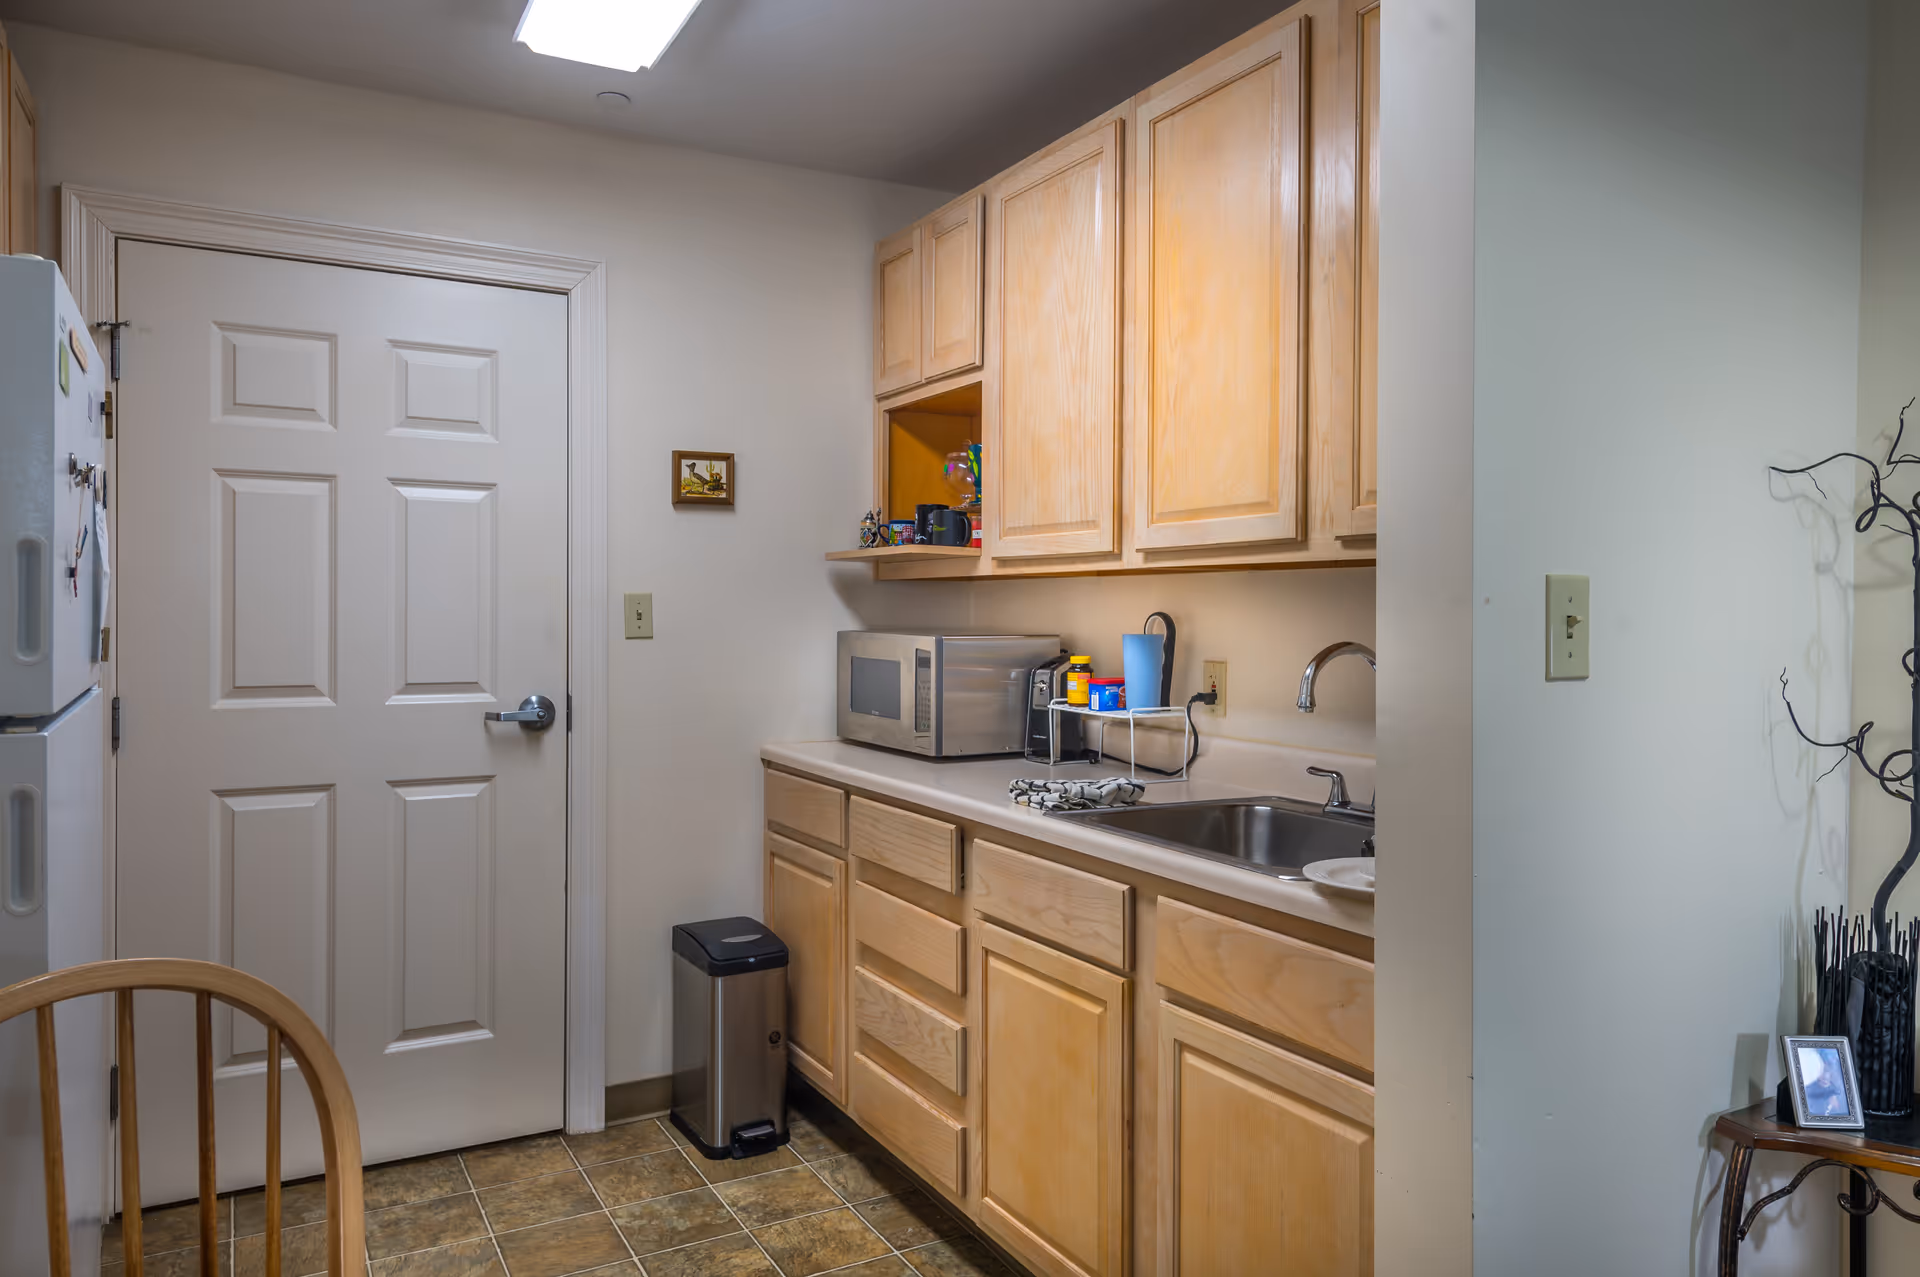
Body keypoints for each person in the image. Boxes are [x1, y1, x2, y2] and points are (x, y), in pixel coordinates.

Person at [1799, 1045, 1851, 1118]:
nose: (1826, 1076)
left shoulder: (1844, 1096)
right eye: (1821, 1070)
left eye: (1829, 1070)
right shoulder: (1805, 1093)